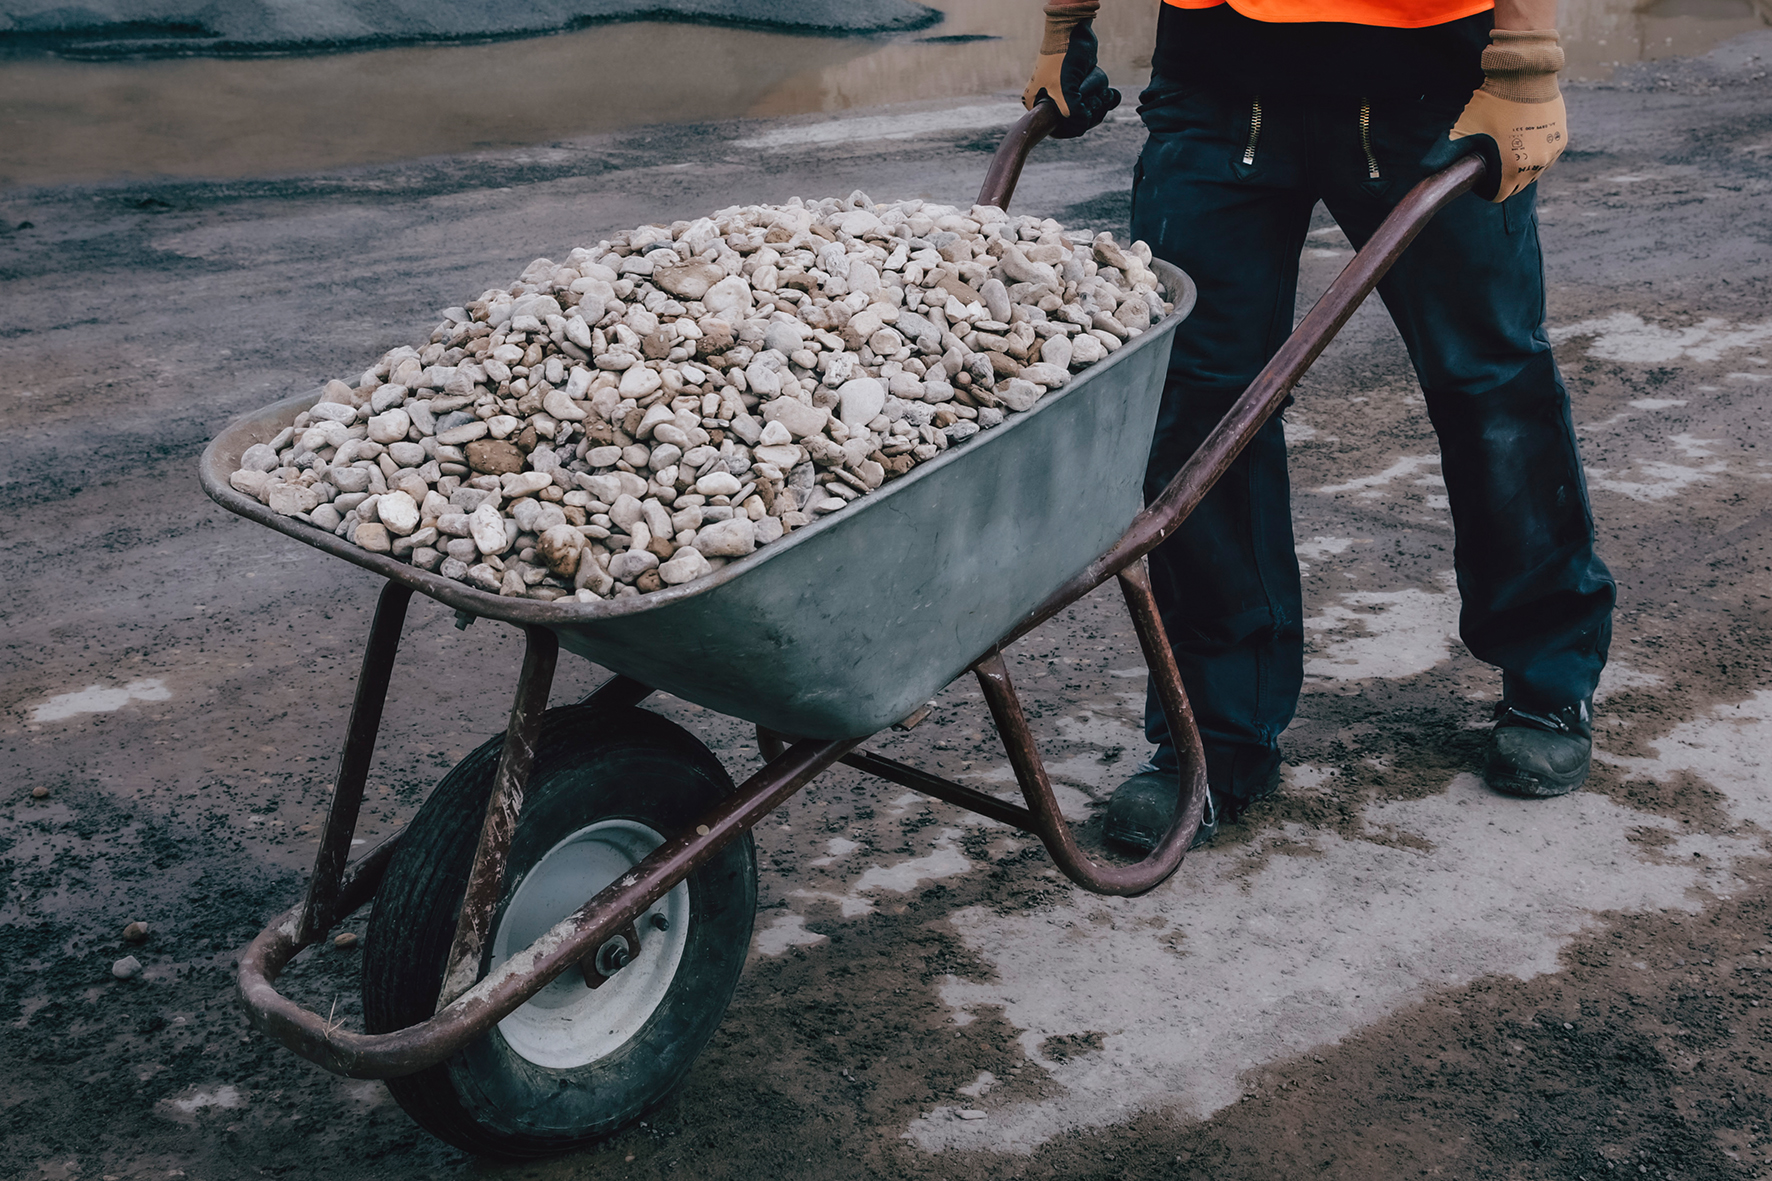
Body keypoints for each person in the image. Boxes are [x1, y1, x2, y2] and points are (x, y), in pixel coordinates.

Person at [1020, 0, 1615, 849]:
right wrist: (1065, 23)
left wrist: (1524, 58)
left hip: (1427, 77)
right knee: (1198, 405)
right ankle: (1217, 735)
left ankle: (1549, 674)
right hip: (1220, 78)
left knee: (1489, 384)